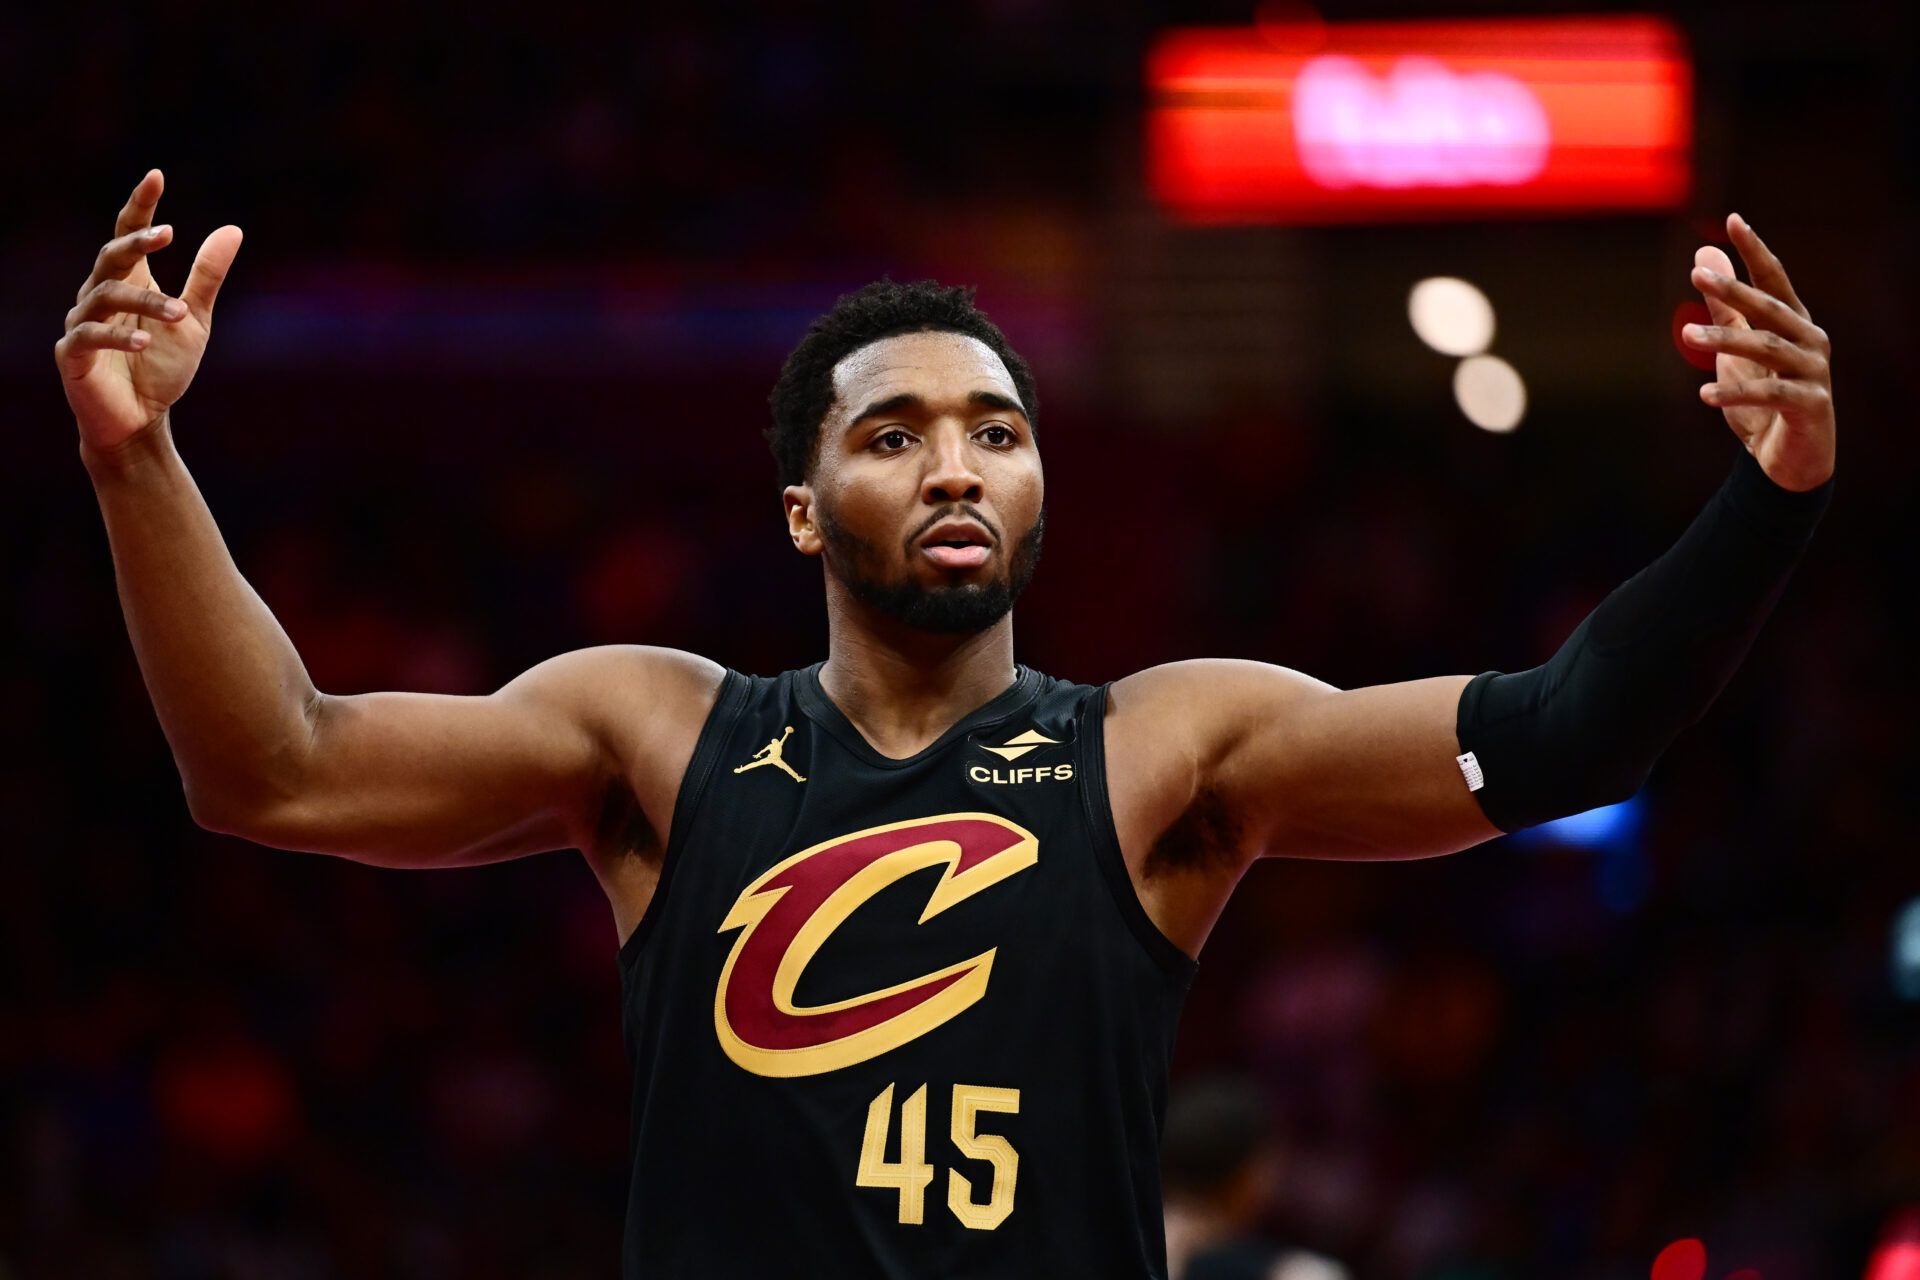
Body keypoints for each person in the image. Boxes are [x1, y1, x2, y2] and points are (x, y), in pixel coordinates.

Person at [57, 168, 1836, 1279]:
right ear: (804, 510)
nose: (956, 460)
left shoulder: (1165, 750)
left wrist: (1769, 499)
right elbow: (269, 766)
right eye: (891, 433)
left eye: (994, 425)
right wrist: (135, 456)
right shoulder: (655, 733)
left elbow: (1566, 733)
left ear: (1043, 482)